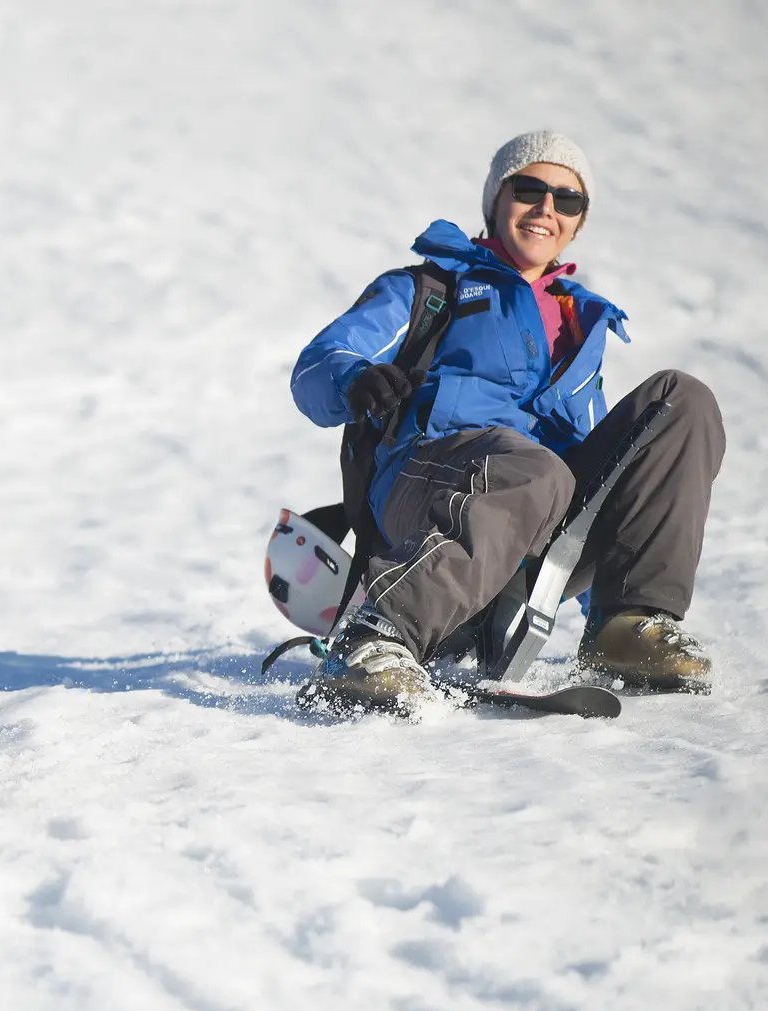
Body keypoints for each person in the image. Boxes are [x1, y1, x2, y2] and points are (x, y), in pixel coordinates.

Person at [290, 130, 725, 712]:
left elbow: (612, 482)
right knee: (534, 468)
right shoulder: (430, 288)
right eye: (528, 189)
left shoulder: (582, 323)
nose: (547, 208)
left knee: (681, 400)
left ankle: (628, 626)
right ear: (496, 200)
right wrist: (356, 380)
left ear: (578, 221)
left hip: (539, 500)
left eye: (567, 200)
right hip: (434, 479)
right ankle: (378, 637)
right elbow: (320, 364)